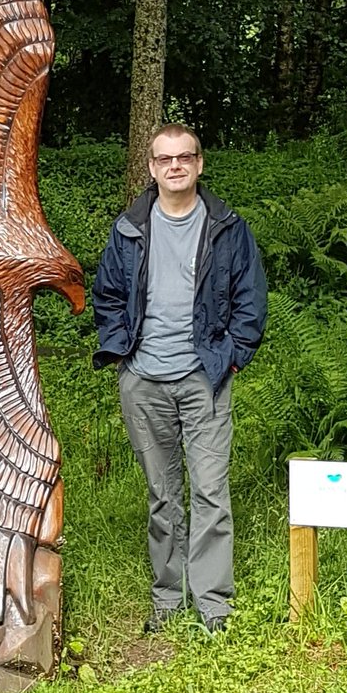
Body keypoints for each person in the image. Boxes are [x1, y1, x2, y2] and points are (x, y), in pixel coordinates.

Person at [92, 123, 267, 634]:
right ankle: (168, 598)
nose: (175, 166)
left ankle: (213, 605)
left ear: (199, 163)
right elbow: (107, 295)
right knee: (163, 495)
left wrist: (230, 359)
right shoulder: (129, 228)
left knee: (210, 491)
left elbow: (251, 301)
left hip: (204, 378)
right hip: (144, 381)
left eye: (184, 157)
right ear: (152, 167)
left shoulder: (227, 227)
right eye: (165, 159)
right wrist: (123, 354)